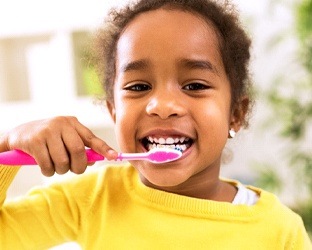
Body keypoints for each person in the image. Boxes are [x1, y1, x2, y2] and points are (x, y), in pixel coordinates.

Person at [0, 0, 311, 249]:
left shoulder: (279, 231)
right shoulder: (91, 199)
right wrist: (7, 146)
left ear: (235, 114)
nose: (161, 106)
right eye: (138, 87)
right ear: (114, 113)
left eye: (194, 86)